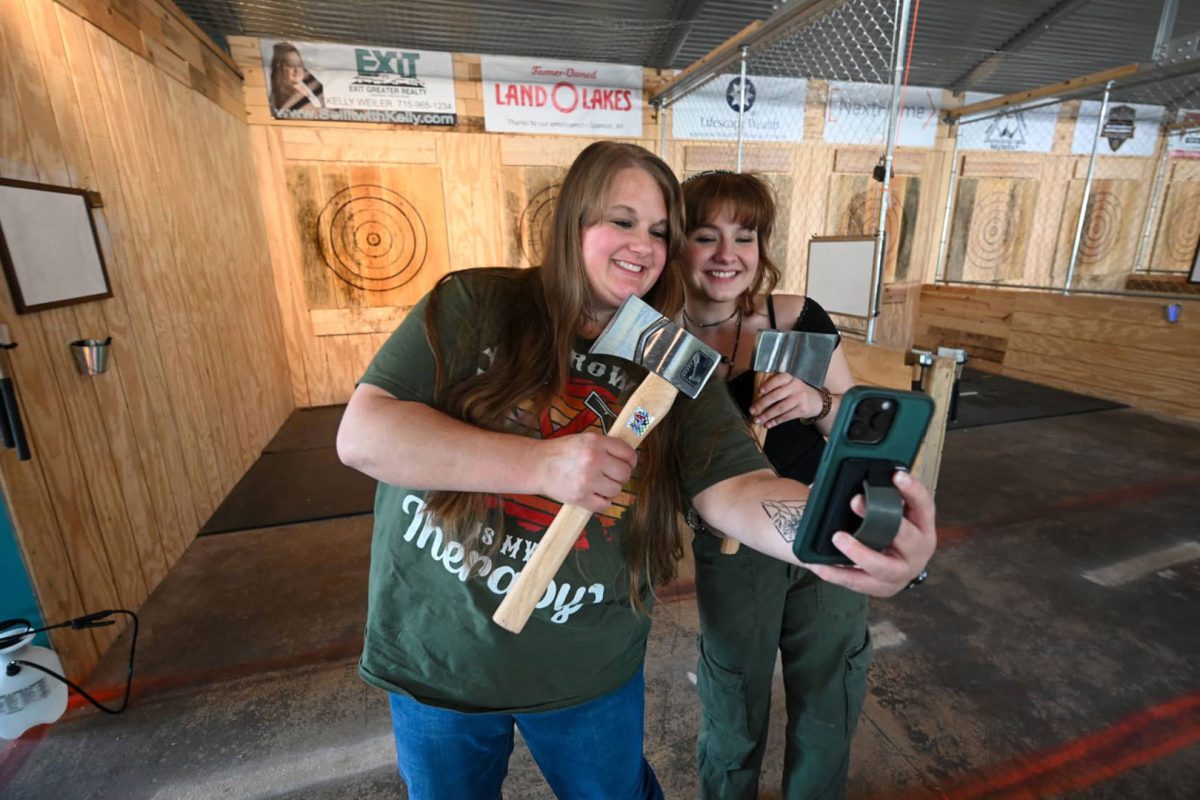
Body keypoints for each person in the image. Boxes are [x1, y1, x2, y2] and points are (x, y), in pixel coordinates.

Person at [336, 142, 936, 800]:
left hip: (589, 671)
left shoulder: (673, 358)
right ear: (573, 223)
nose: (643, 245)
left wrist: (836, 534)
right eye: (621, 221)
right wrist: (540, 465)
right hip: (439, 656)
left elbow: (736, 486)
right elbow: (364, 434)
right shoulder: (478, 302)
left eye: (658, 231)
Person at [681, 169, 874, 800]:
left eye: (745, 236)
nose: (727, 255)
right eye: (706, 236)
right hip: (733, 547)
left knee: (829, 699)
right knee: (731, 704)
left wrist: (817, 400)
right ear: (677, 244)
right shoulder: (660, 337)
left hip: (827, 527)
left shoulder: (794, 317)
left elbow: (855, 421)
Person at [268, 42, 324, 115]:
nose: (296, 70)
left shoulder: (313, 84)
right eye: (290, 65)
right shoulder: (278, 98)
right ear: (279, 68)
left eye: (299, 64)